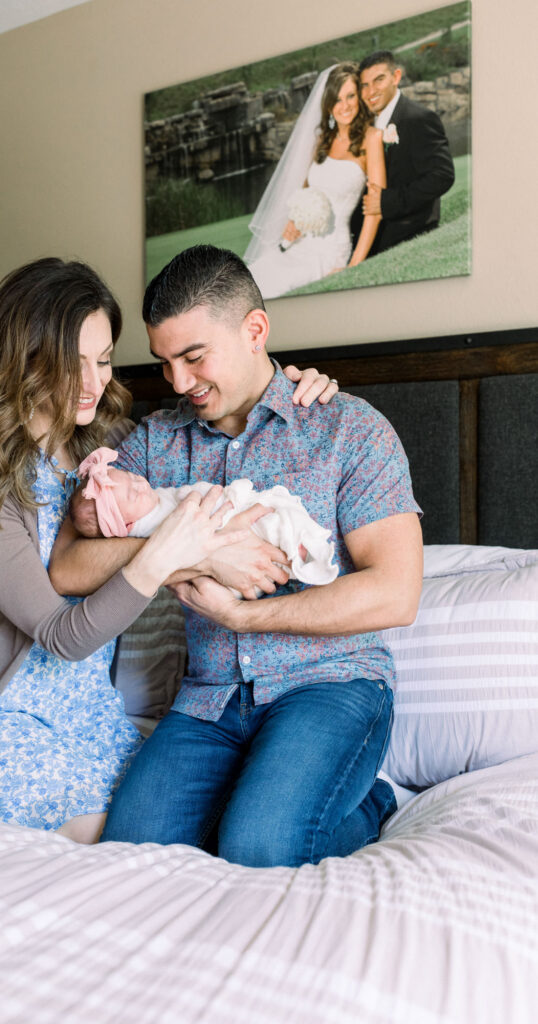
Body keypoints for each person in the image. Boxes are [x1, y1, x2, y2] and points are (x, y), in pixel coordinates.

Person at [0, 256, 337, 845]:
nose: (93, 383)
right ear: (24, 360)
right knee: (133, 840)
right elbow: (61, 637)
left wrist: (293, 383)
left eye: (102, 360)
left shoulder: (118, 447)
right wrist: (185, 555)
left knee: (194, 819)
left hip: (91, 715)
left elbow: (229, 418)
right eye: (69, 363)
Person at [49, 244, 423, 868]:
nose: (178, 383)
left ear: (255, 330)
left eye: (194, 357)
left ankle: (369, 804)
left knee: (258, 846)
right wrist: (195, 553)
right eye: (165, 362)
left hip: (329, 685)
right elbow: (69, 566)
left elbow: (396, 593)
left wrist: (244, 615)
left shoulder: (347, 429)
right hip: (209, 698)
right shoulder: (154, 444)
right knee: (132, 853)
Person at [69, 445, 338, 586]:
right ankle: (299, 553)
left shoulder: (147, 502)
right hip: (224, 536)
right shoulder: (150, 526)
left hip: (230, 533)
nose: (139, 483)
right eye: (131, 494)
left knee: (268, 514)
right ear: (127, 525)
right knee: (269, 521)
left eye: (130, 476)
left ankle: (298, 550)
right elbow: (193, 520)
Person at [243, 62, 385, 299]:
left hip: (330, 250)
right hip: (300, 243)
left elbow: (375, 211)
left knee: (276, 288)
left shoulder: (372, 138)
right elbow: (306, 191)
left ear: (359, 97)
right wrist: (293, 221)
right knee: (250, 280)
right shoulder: (321, 140)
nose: (345, 106)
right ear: (328, 104)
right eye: (337, 99)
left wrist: (354, 266)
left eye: (350, 96)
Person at [351, 50, 455, 256]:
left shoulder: (418, 118)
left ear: (396, 77)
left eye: (379, 80)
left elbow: (442, 176)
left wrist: (387, 202)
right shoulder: (366, 123)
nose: (371, 91)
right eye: (365, 85)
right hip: (366, 233)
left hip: (406, 231)